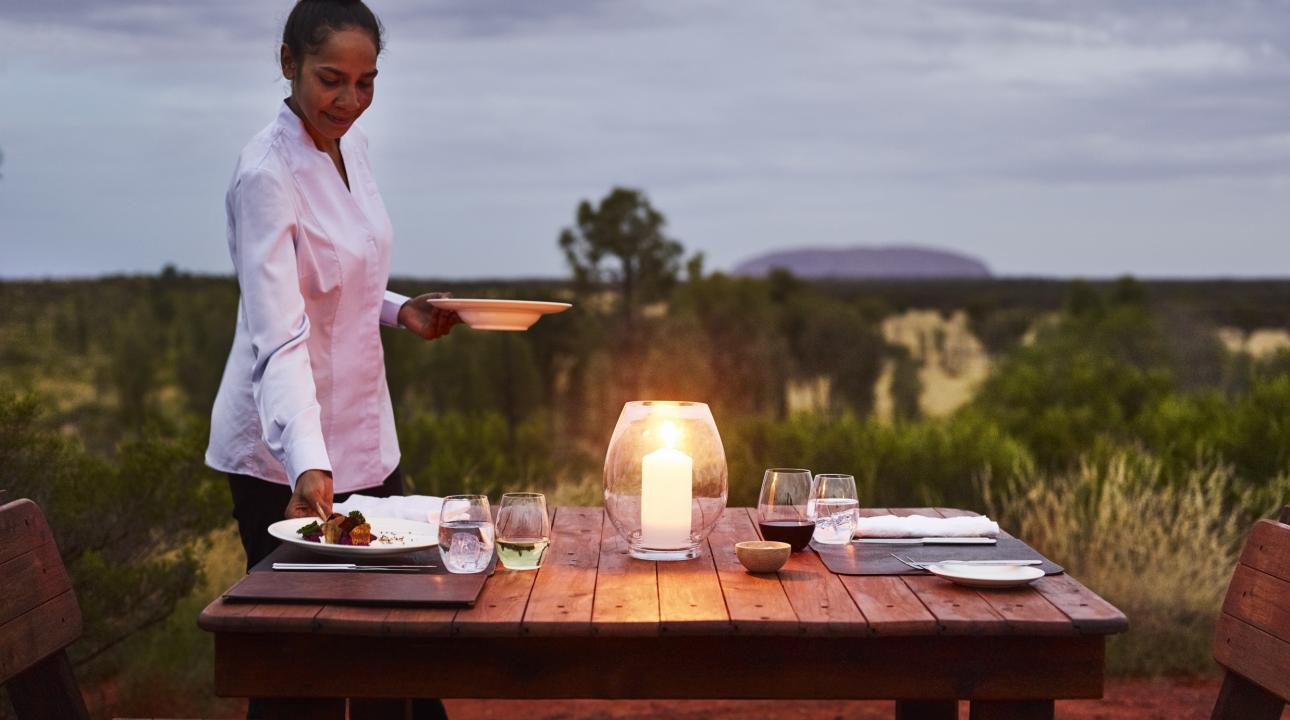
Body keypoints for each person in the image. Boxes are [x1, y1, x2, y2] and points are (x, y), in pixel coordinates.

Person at [205, 2, 455, 717]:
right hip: (281, 455)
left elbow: (345, 275)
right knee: (302, 670)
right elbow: (278, 334)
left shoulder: (354, 147)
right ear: (287, 63)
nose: (350, 101)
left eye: (367, 82)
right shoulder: (265, 174)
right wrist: (307, 464)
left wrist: (398, 308)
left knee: (402, 650)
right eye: (331, 80)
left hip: (368, 441)